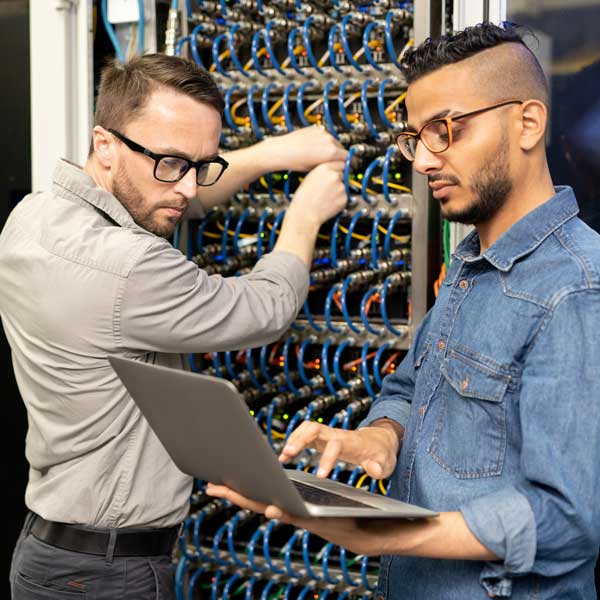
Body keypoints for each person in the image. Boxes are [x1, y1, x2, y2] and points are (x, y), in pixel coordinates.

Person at [207, 22, 600, 599]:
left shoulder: (576, 289)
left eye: (447, 130)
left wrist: (392, 534)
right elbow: (409, 390)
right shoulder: (472, 263)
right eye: (416, 137)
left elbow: (567, 519)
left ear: (528, 123)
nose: (423, 160)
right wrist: (383, 438)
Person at [0, 53, 347, 599]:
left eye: (202, 163)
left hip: (49, 556)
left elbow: (167, 193)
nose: (187, 188)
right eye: (170, 163)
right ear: (105, 145)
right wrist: (305, 214)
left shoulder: (33, 217)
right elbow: (267, 307)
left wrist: (275, 153)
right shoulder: (130, 267)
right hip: (111, 576)